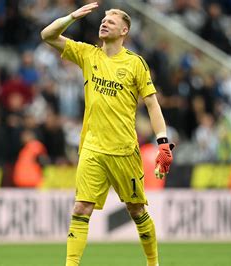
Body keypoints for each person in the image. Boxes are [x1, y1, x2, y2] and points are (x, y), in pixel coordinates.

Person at [41, 2, 174, 266]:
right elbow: (47, 35)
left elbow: (152, 104)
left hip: (124, 149)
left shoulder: (135, 64)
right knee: (81, 207)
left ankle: (153, 263)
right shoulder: (88, 54)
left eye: (111, 21)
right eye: (103, 19)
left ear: (124, 30)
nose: (104, 22)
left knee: (136, 210)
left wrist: (163, 142)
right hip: (92, 148)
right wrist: (71, 16)